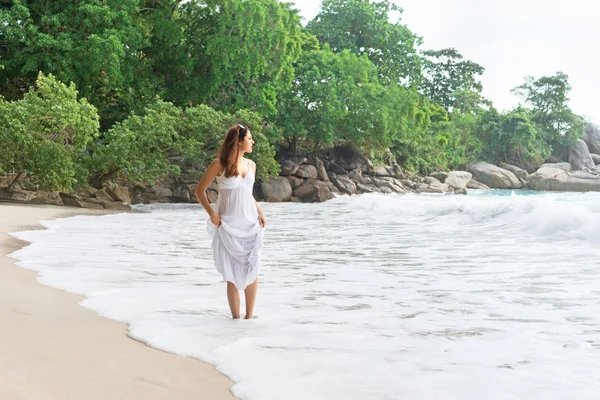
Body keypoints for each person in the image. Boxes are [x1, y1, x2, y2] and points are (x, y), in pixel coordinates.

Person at [195, 124, 267, 319]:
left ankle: (249, 319)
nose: (252, 142)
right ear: (239, 140)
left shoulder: (251, 165)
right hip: (228, 225)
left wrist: (259, 211)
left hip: (250, 223)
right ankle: (236, 320)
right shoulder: (220, 164)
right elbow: (199, 191)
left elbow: (247, 192)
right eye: (250, 138)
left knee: (253, 270)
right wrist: (212, 214)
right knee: (232, 275)